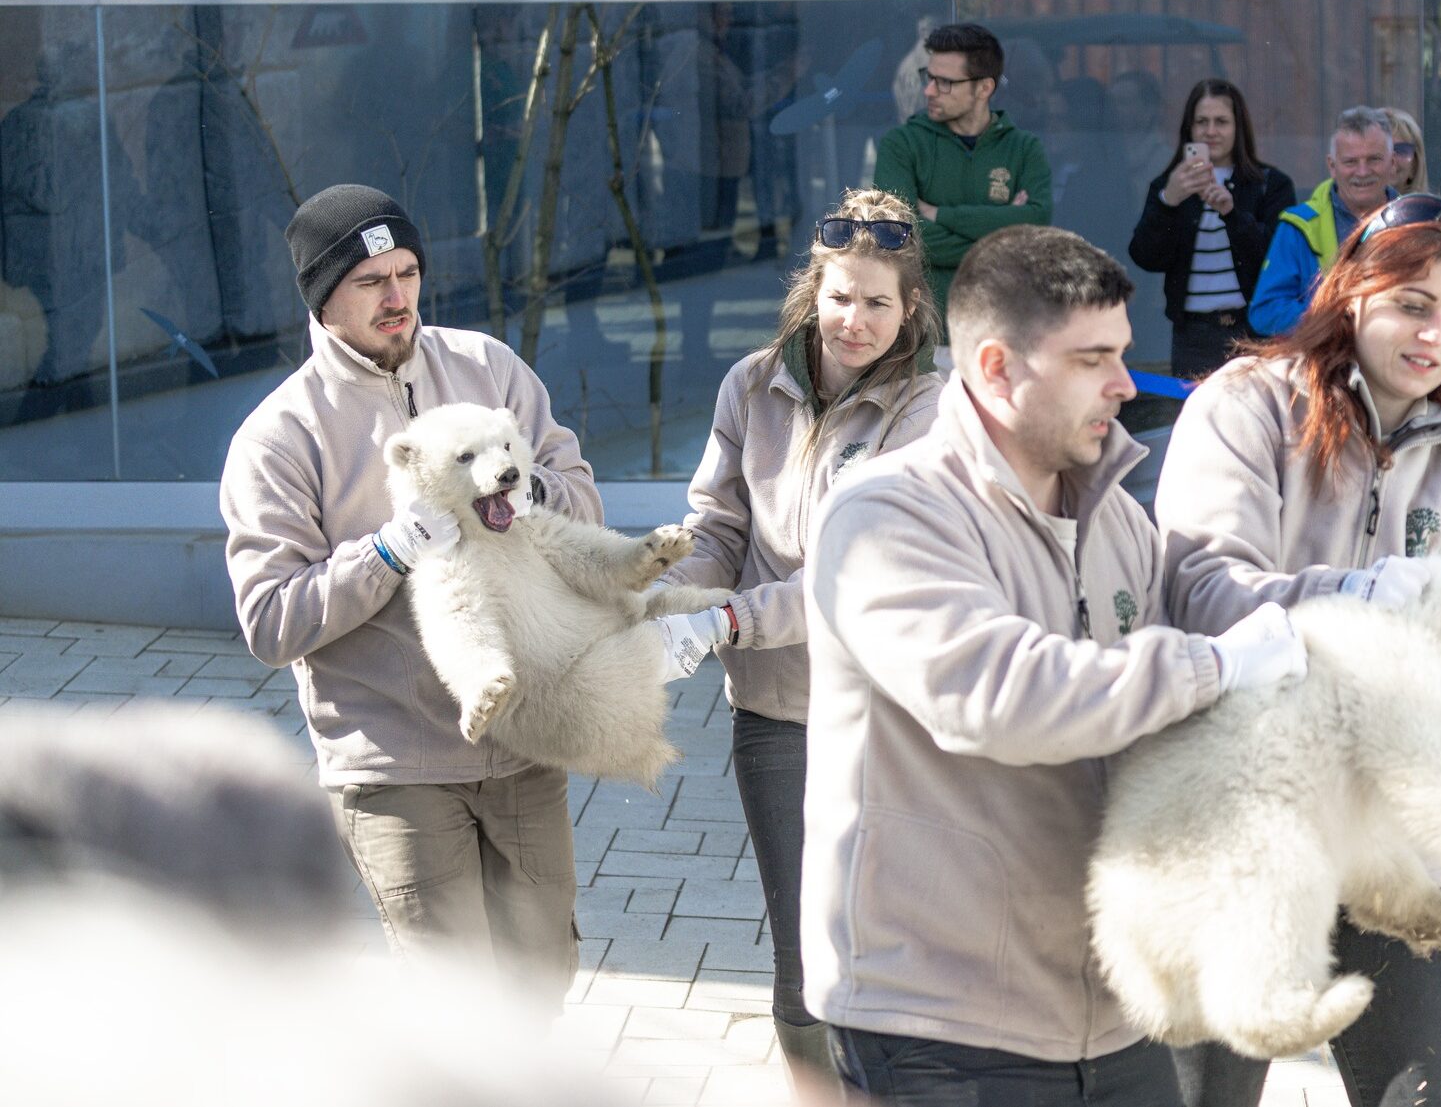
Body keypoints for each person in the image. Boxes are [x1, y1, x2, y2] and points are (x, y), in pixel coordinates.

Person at [801, 225, 1306, 1105]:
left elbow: (1175, 706)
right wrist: (1217, 666)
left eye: (1124, 354)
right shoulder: (884, 513)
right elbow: (999, 695)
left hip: (1114, 1013)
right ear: (995, 367)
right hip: (938, 1022)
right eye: (1092, 359)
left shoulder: (1116, 517)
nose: (1123, 383)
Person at [1153, 194, 1441, 1107]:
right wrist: (1355, 599)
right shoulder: (1245, 408)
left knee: (1427, 1095)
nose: (1435, 335)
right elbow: (1204, 591)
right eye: (1413, 303)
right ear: (1353, 291)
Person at [219, 184, 600, 1011]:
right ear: (324, 298)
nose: (398, 298)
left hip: (524, 738)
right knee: (458, 1002)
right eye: (370, 281)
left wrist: (520, 488)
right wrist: (388, 549)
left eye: (408, 272)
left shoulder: (488, 368)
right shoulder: (282, 435)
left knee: (542, 980)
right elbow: (270, 619)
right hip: (393, 761)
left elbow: (580, 496)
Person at [650, 189, 944, 1082]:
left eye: (879, 302)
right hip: (774, 713)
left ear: (911, 308)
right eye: (842, 296)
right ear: (813, 289)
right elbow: (718, 529)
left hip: (889, 721)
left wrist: (725, 620)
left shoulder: (927, 410)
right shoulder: (753, 383)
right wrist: (662, 606)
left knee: (886, 946)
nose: (857, 320)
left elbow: (860, 577)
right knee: (802, 955)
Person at [874, 22, 1052, 324]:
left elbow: (1035, 227)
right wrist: (1004, 235)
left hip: (1003, 329)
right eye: (928, 78)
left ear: (984, 88)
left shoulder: (1024, 149)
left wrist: (941, 214)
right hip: (922, 333)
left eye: (945, 83)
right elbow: (898, 236)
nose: (929, 90)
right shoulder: (901, 144)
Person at [1128, 79, 1298, 378]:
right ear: (1189, 130)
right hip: (1192, 334)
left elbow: (1276, 260)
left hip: (1253, 331)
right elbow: (1146, 257)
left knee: (1253, 422)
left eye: (1221, 122)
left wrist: (1232, 214)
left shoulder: (1270, 184)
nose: (1210, 131)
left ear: (1238, 128)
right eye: (1201, 122)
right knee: (1195, 421)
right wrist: (1168, 201)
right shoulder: (1171, 185)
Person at [1249, 105, 1399, 336]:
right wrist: (1339, 317)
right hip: (1321, 367)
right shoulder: (1297, 226)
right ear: (1332, 166)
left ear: (1392, 163)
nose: (1362, 171)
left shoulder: (1418, 224)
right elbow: (1265, 314)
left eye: (1374, 159)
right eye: (1350, 162)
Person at [1386, 107, 1430, 195]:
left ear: (1415, 165)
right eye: (1383, 149)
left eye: (1401, 150)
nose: (1391, 158)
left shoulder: (1433, 208)